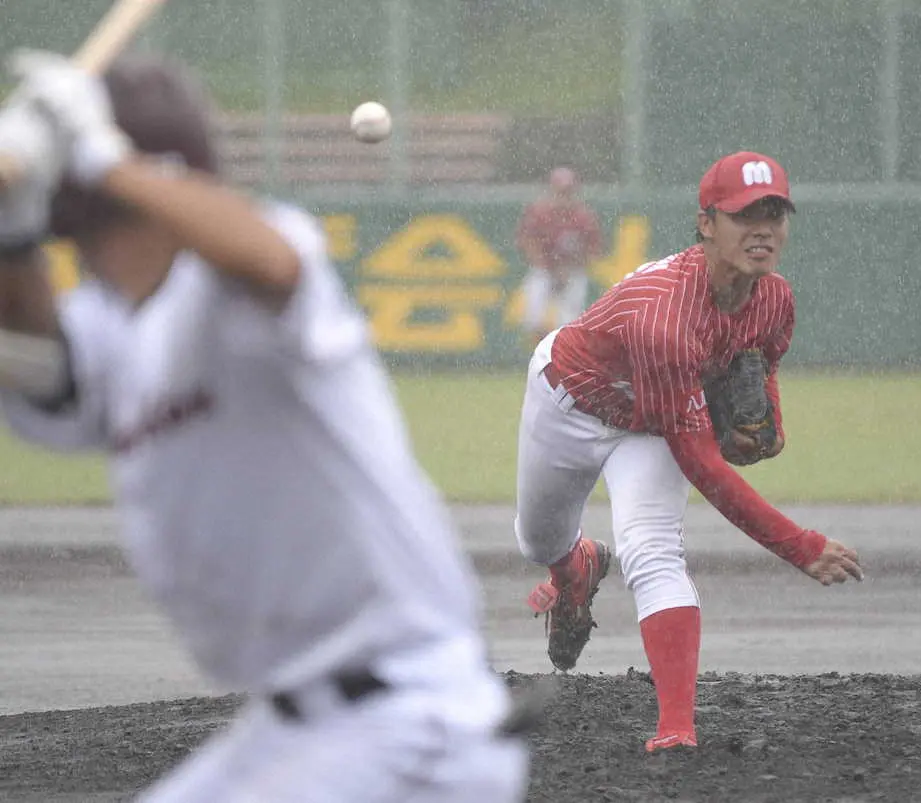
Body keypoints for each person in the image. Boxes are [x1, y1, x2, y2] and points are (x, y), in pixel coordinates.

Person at [0, 51, 528, 802]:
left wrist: (97, 155)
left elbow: (272, 262)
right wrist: (13, 233)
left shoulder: (236, 281)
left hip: (409, 715)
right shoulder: (115, 331)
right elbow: (35, 366)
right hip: (297, 728)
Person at [513, 151, 864, 753]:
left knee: (652, 553)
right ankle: (575, 569)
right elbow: (703, 463)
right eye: (745, 214)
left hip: (650, 424)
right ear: (706, 224)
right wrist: (798, 546)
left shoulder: (775, 297)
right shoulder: (665, 316)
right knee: (538, 540)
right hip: (568, 399)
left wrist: (768, 423)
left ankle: (676, 729)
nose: (763, 229)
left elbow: (762, 357)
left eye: (775, 213)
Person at [515, 166, 603, 346]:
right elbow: (528, 242)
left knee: (569, 324)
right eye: (561, 192)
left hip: (573, 272)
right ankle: (541, 355)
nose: (565, 196)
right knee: (533, 317)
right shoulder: (540, 213)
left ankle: (563, 360)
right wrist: (550, 267)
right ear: (552, 191)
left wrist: (571, 267)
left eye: (568, 192)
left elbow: (594, 249)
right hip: (544, 270)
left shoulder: (584, 217)